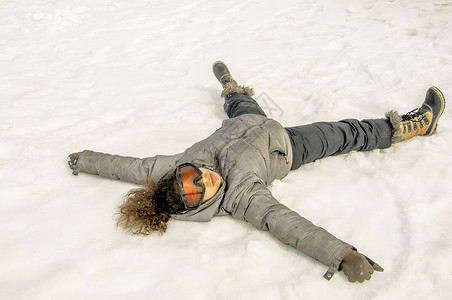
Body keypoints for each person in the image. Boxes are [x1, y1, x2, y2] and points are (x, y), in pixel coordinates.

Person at [67, 61, 446, 283]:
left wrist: (84, 159)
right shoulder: (242, 198)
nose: (204, 179)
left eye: (192, 175)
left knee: (242, 104)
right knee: (347, 133)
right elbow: (287, 224)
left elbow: (124, 166)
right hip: (286, 144)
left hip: (246, 121)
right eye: (200, 191)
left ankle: (231, 88)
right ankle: (415, 125)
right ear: (196, 206)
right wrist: (342, 255)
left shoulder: (168, 166)